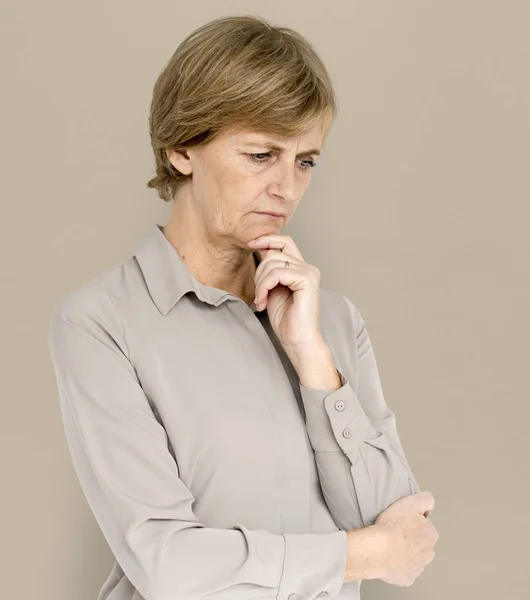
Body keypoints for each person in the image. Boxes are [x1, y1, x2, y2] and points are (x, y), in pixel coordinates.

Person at [47, 14, 438, 600]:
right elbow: (168, 564)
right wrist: (361, 553)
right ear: (182, 147)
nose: (287, 186)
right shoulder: (102, 322)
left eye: (305, 160)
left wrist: (314, 363)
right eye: (261, 154)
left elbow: (403, 536)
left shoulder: (332, 322)